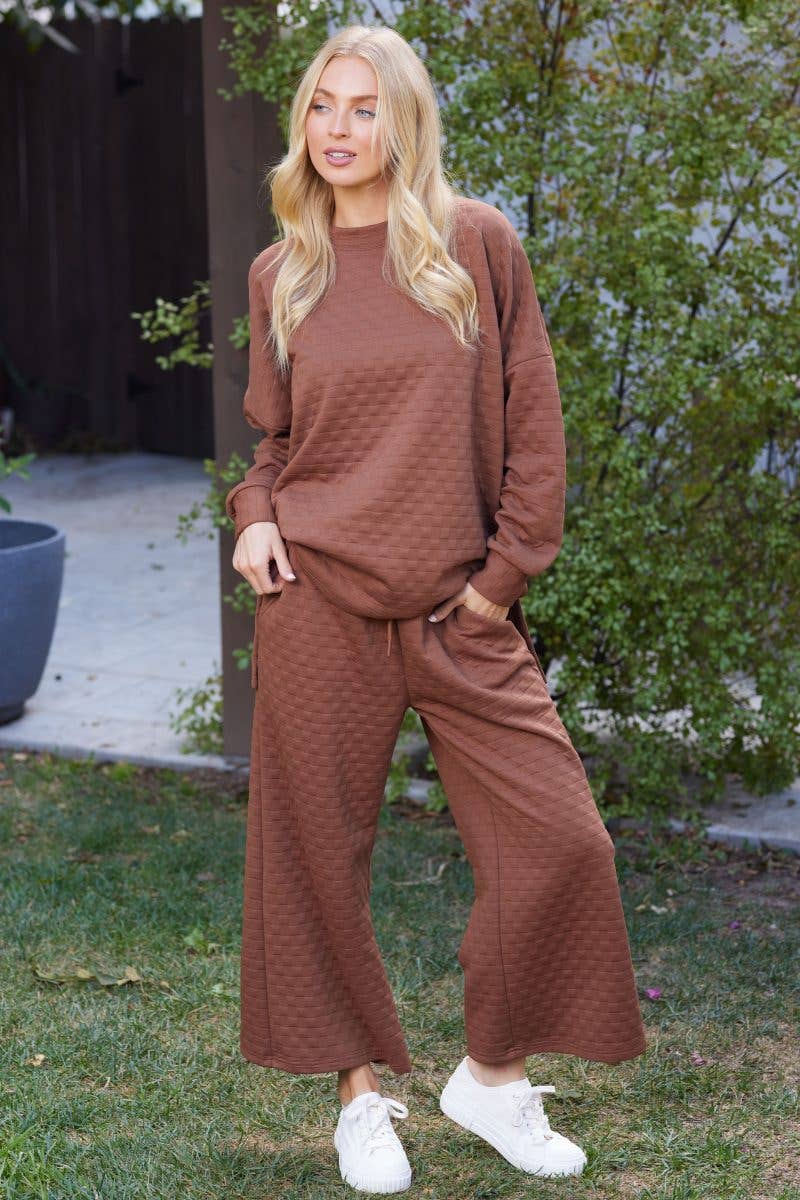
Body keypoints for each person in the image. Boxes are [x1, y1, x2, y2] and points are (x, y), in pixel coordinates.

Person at [225, 23, 646, 1196]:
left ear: (403, 121)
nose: (338, 129)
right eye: (322, 106)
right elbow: (273, 444)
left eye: (363, 107)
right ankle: (359, 1100)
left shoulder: (474, 246)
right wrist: (252, 514)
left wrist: (498, 582)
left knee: (560, 839)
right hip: (317, 598)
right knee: (312, 858)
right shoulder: (282, 270)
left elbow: (533, 426)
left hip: (460, 610)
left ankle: (492, 1078)